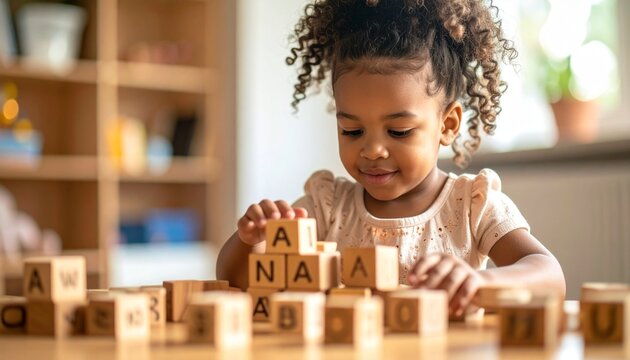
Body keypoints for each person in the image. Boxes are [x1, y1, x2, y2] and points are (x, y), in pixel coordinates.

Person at [217, 0, 565, 316]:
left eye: (398, 131)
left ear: (447, 125)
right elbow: (235, 280)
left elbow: (550, 276)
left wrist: (480, 283)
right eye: (352, 131)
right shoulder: (326, 207)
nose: (372, 150)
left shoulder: (472, 205)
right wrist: (250, 241)